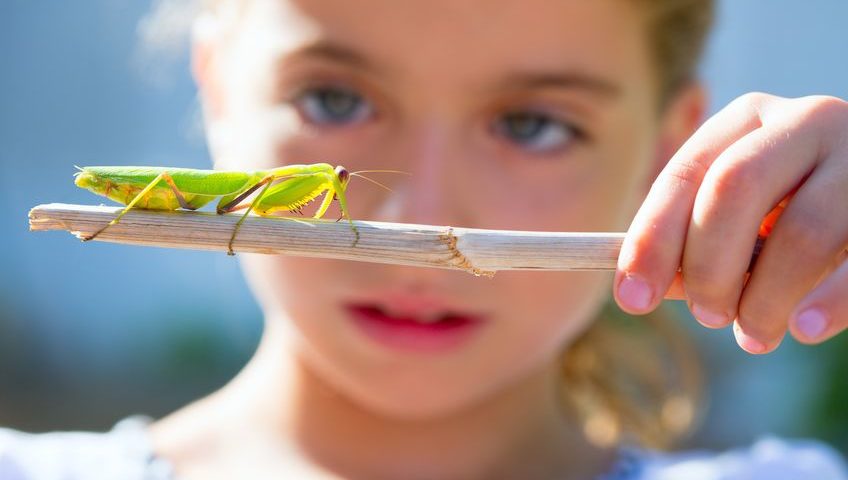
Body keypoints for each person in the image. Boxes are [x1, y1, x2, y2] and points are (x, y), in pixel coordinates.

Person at [2, 0, 848, 478]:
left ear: (673, 148)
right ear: (217, 90)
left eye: (532, 123)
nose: (417, 208)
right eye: (334, 102)